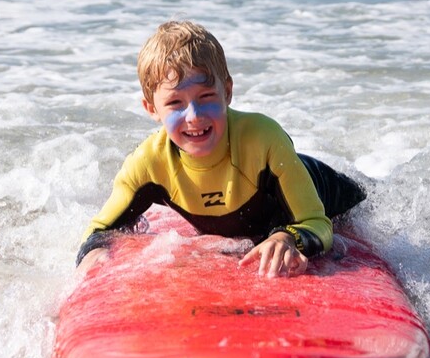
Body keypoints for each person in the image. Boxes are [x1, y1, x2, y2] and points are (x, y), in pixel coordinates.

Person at [75, 20, 366, 278]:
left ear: (227, 91)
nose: (194, 116)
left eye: (206, 96)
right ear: (151, 108)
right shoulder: (149, 164)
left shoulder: (263, 140)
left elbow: (316, 222)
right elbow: (99, 232)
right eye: (175, 103)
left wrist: (287, 239)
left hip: (323, 189)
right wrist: (94, 254)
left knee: (367, 206)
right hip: (263, 214)